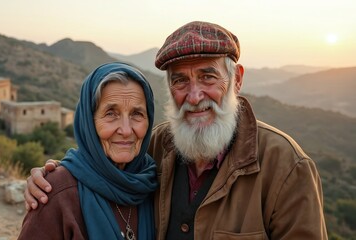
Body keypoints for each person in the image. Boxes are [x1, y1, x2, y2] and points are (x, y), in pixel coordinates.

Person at [25, 21, 328, 239]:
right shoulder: (157, 146)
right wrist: (54, 176)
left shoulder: (286, 167)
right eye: (180, 81)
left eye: (208, 77)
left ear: (236, 80)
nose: (194, 97)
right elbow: (101, 167)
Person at [17, 62, 158, 240]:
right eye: (110, 114)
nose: (126, 130)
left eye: (137, 114)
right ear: (89, 122)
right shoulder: (56, 193)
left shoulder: (155, 183)